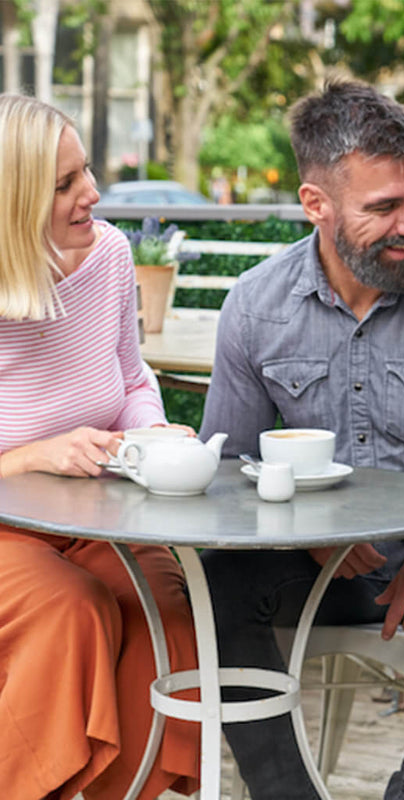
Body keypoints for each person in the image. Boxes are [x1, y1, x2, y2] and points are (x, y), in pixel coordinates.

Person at [198, 78, 404, 799]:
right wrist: (303, 529)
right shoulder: (256, 307)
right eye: (384, 207)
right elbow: (226, 475)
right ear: (316, 206)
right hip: (317, 569)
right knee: (212, 583)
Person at [0, 94, 199, 799]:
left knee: (166, 609)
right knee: (70, 609)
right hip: (7, 530)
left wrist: (145, 428)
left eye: (85, 172)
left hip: (94, 514)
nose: (91, 195)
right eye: (63, 185)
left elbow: (130, 376)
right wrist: (31, 456)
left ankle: (128, 789)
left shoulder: (110, 254)